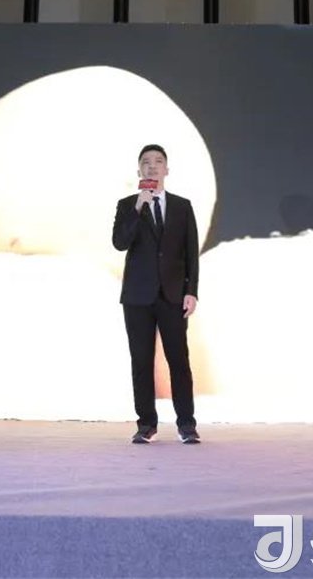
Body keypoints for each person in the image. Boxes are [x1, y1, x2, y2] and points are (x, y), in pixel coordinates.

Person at [112, 144, 201, 444]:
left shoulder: (182, 206)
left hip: (172, 295)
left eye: (158, 161)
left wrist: (191, 291)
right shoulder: (128, 205)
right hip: (137, 296)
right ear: (139, 170)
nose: (152, 166)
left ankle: (186, 424)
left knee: (179, 361)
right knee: (141, 362)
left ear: (167, 169)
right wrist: (138, 207)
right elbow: (120, 242)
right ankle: (146, 424)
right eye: (146, 162)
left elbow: (191, 253)